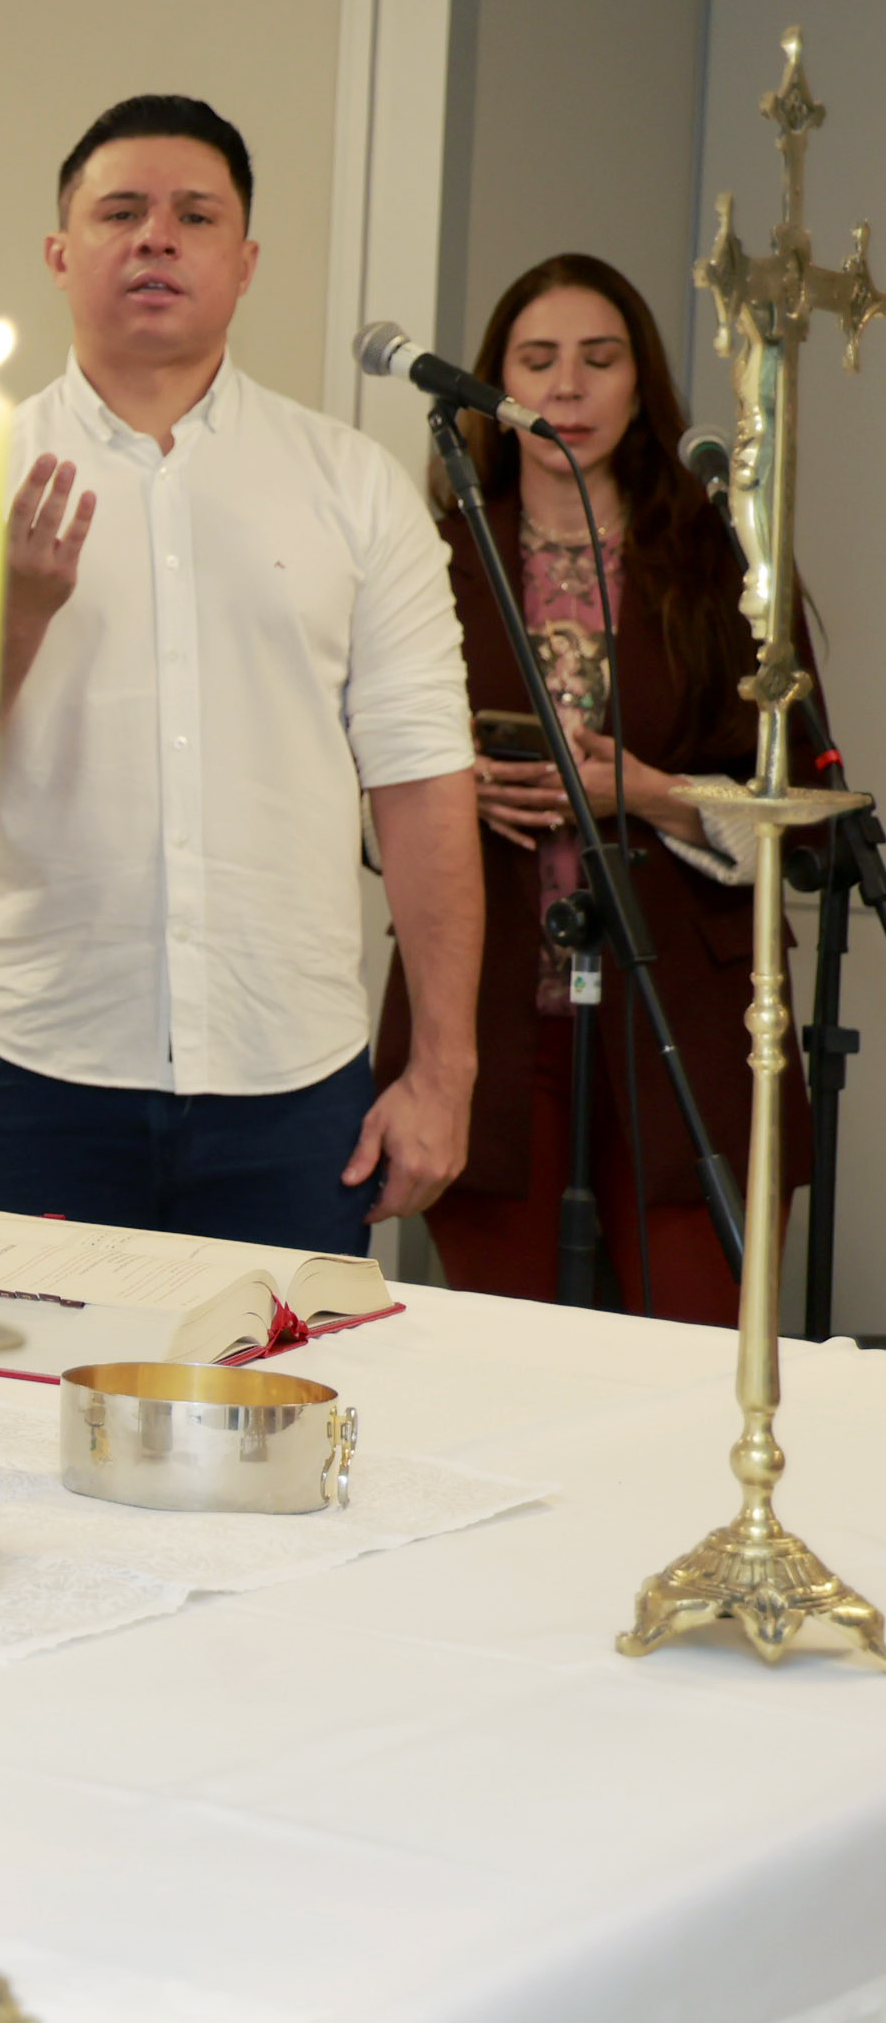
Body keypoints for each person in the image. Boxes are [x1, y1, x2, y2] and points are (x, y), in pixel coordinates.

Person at [0, 93, 479, 1255]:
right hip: (35, 1061)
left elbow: (418, 779)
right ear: (60, 254)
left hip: (290, 1072)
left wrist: (440, 1068)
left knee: (277, 1371)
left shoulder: (350, 483)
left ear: (243, 262)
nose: (155, 237)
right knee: (24, 1371)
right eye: (119, 211)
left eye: (194, 216)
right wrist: (15, 614)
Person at [371, 255, 800, 1322]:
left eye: (598, 359)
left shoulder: (722, 557)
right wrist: (446, 792)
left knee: (697, 1350)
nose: (566, 386)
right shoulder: (427, 557)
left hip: (685, 1014)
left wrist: (651, 792)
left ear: (639, 383)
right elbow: (350, 787)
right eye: (536, 360)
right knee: (509, 1354)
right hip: (488, 1015)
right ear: (494, 387)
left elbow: (802, 807)